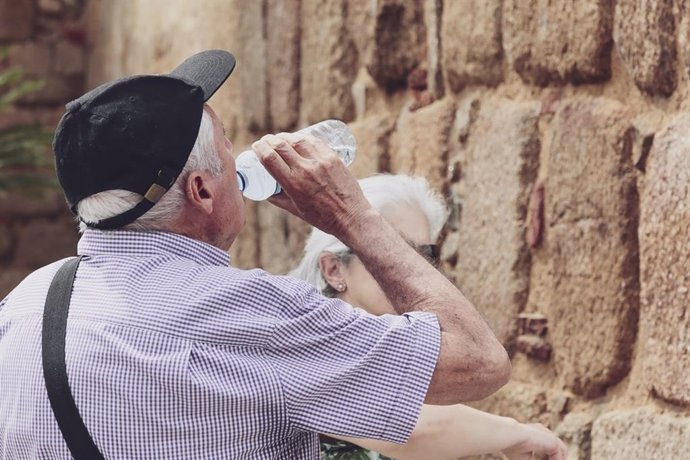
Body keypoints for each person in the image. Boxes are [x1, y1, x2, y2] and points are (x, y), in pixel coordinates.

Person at [0, 49, 512, 459]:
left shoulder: (23, 307)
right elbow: (479, 362)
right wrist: (352, 218)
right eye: (227, 145)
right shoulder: (246, 312)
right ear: (201, 190)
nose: (239, 155)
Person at [292, 174, 567, 460]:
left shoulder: (393, 350)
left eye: (425, 254)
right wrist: (515, 433)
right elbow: (407, 427)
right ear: (334, 269)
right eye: (388, 252)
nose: (413, 268)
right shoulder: (308, 341)